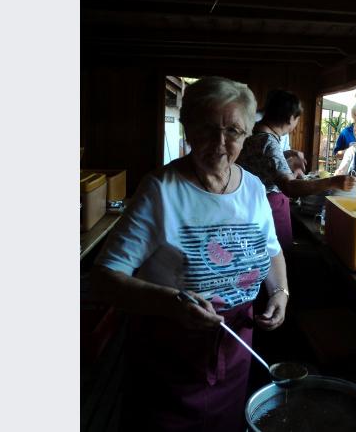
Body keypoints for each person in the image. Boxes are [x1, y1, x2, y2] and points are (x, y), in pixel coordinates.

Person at [91, 76, 289, 430]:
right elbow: (104, 279)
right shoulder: (161, 190)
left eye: (233, 131)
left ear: (247, 135)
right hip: (169, 355)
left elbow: (271, 250)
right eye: (207, 129)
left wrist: (279, 291)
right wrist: (171, 303)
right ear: (187, 128)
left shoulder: (254, 189)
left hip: (235, 346)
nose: (220, 143)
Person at [238, 89, 355, 252]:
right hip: (269, 210)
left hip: (249, 208)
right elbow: (290, 187)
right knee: (277, 259)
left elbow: (262, 160)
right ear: (290, 118)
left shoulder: (253, 133)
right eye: (297, 118)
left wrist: (289, 153)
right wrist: (333, 181)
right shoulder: (269, 142)